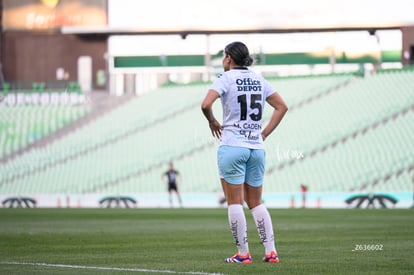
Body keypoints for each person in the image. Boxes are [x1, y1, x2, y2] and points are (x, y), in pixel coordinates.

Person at [201, 41, 288, 264]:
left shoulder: (225, 78)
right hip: (256, 148)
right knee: (256, 203)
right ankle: (271, 252)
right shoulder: (259, 79)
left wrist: (212, 121)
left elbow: (205, 104)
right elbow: (282, 107)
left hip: (232, 146)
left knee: (235, 203)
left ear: (229, 58)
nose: (222, 60)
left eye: (223, 56)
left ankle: (243, 253)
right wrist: (264, 133)